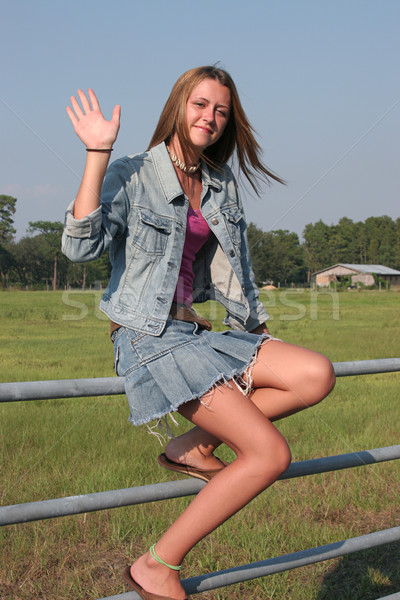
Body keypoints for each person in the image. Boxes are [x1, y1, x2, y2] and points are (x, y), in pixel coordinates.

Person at [62, 66, 335, 600]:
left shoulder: (219, 182)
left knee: (314, 374)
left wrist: (257, 333)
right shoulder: (133, 172)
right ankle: (157, 564)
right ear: (178, 105)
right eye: (200, 105)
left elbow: (238, 267)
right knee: (268, 456)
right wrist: (97, 154)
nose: (210, 118)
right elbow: (80, 247)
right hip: (147, 336)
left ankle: (192, 445)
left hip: (198, 333)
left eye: (221, 111)